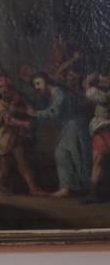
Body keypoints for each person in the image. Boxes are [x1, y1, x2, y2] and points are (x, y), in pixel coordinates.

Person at [27, 73, 92, 198]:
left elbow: (55, 111)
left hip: (75, 125)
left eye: (38, 83)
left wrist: (36, 113)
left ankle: (86, 188)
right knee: (61, 154)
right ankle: (66, 187)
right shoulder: (52, 95)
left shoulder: (58, 92)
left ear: (46, 81)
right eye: (35, 85)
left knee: (77, 156)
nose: (37, 87)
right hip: (67, 126)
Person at [0, 76, 48, 196]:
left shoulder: (18, 100)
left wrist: (23, 106)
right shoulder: (1, 104)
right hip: (6, 139)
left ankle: (33, 188)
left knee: (23, 163)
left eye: (8, 87)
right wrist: (23, 123)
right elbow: (8, 121)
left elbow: (30, 111)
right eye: (2, 88)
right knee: (5, 166)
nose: (6, 90)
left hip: (17, 138)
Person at [82, 71, 110, 204]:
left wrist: (88, 85)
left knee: (99, 161)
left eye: (106, 80)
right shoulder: (102, 91)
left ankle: (95, 194)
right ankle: (94, 194)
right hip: (101, 129)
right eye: (101, 80)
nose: (102, 83)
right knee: (97, 161)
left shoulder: (103, 94)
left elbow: (103, 98)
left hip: (106, 128)